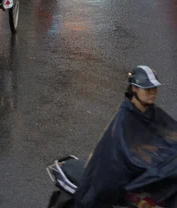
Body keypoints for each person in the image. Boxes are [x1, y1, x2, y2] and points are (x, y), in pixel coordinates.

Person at [75, 66, 177, 208]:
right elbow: (124, 156)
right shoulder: (124, 118)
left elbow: (169, 134)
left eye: (155, 88)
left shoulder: (153, 113)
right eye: (147, 89)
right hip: (125, 180)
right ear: (134, 89)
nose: (153, 93)